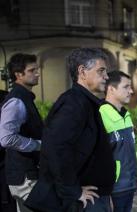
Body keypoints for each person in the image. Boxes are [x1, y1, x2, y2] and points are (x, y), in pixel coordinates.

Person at [25, 48, 115, 212]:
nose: (106, 77)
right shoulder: (73, 103)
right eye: (101, 71)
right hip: (82, 201)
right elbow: (55, 148)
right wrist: (73, 191)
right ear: (82, 71)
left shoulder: (87, 103)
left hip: (94, 197)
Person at [0, 53, 43, 212]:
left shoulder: (24, 98)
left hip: (27, 174)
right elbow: (6, 138)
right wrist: (38, 145)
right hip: (24, 177)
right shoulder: (17, 100)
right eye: (32, 70)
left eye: (37, 69)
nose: (37, 73)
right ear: (18, 75)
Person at [99, 71, 137, 212]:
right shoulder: (101, 115)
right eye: (126, 87)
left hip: (128, 184)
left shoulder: (126, 115)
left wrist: (135, 178)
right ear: (111, 89)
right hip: (113, 188)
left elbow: (128, 151)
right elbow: (98, 157)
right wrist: (105, 190)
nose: (131, 91)